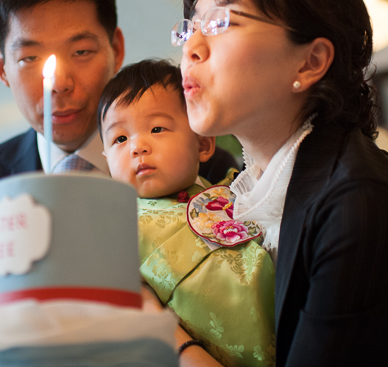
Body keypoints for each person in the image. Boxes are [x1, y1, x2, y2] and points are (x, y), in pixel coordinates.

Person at [0, 0, 237, 367]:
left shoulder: (200, 164)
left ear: (116, 48)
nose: (59, 83)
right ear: (2, 66)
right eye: (29, 58)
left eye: (81, 52)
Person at [176, 0, 388, 366]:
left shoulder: (360, 197)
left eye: (221, 22)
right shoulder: (245, 193)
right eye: (190, 27)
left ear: (310, 62)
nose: (191, 47)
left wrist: (168, 336)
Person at [98, 59, 275, 367]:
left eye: (156, 128)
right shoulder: (115, 230)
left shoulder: (238, 192)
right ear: (106, 160)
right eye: (120, 139)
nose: (137, 147)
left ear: (203, 143)